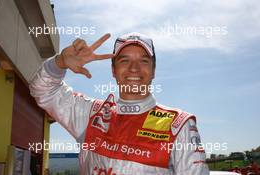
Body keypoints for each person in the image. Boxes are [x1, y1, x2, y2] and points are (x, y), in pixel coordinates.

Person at [29, 32, 209, 175]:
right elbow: (43, 91)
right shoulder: (92, 114)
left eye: (143, 61)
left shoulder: (178, 125)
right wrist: (60, 63)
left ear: (153, 71)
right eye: (125, 60)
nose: (134, 68)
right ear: (113, 70)